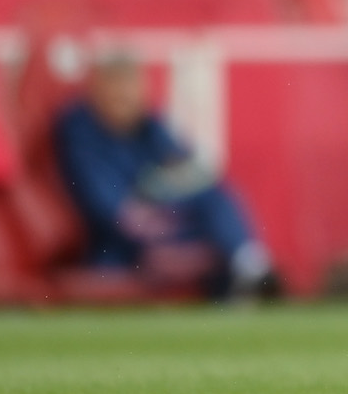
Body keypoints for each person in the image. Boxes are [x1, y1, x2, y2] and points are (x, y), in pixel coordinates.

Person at [52, 52, 276, 298]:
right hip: (119, 243)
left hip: (163, 220)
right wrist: (154, 228)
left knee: (215, 196)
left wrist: (166, 196)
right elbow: (104, 203)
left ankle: (251, 267)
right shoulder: (80, 129)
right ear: (96, 90)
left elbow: (190, 170)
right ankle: (244, 272)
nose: (123, 97)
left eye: (129, 88)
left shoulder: (149, 125)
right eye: (115, 89)